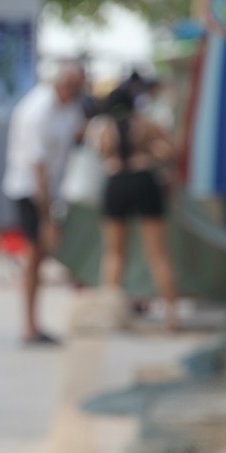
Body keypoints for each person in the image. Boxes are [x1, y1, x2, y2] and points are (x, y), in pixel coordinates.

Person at [3, 61, 86, 346]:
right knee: (34, 256)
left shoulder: (69, 107)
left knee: (49, 253)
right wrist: (47, 218)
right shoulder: (36, 111)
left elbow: (78, 134)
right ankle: (29, 325)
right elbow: (36, 168)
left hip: (54, 190)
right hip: (31, 191)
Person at [94, 87, 178, 331]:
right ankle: (171, 316)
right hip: (143, 182)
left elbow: (101, 154)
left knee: (114, 253)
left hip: (116, 183)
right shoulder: (145, 125)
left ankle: (108, 315)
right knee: (158, 253)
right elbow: (170, 151)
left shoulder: (105, 130)